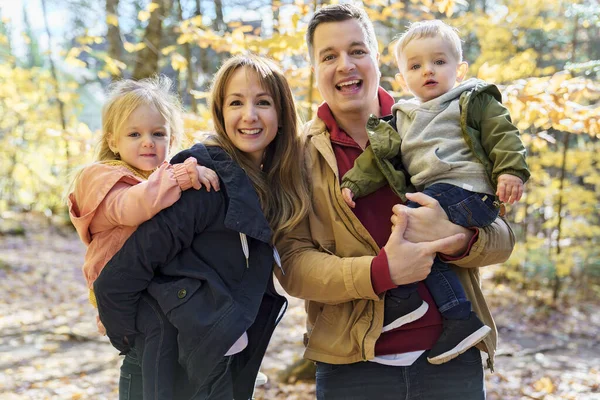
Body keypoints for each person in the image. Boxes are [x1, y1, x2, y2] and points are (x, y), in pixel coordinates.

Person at [275, 4, 516, 399]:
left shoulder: (439, 121)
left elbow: (503, 235)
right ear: (313, 68)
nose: (345, 65)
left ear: (376, 58)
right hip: (352, 367)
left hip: (451, 357)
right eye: (329, 56)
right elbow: (294, 266)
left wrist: (460, 239)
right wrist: (379, 272)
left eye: (357, 51)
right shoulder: (297, 156)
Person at [93, 54, 311, 399]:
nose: (249, 115)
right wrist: (137, 344)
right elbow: (117, 279)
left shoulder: (272, 184)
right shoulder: (202, 182)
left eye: (263, 102)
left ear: (282, 114)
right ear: (221, 112)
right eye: (236, 102)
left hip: (215, 366)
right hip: (168, 373)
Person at [339, 19, 530, 364]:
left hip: (470, 192)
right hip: (437, 197)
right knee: (418, 236)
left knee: (408, 224)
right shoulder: (401, 116)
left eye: (439, 62)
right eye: (416, 65)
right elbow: (376, 157)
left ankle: (408, 297)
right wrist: (353, 183)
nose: (428, 71)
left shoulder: (471, 99)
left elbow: (503, 134)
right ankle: (457, 317)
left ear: (460, 69)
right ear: (402, 79)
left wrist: (511, 171)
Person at [68, 76, 221, 399]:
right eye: (134, 134)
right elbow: (132, 208)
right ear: (112, 140)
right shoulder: (104, 179)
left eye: (158, 133)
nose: (147, 142)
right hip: (120, 283)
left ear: (172, 137)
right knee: (159, 329)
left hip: (149, 280)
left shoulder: (155, 179)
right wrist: (184, 176)